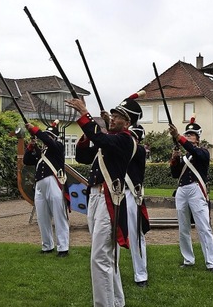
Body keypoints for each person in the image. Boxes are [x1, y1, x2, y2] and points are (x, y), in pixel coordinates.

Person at [66, 91, 142, 307]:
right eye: (113, 114)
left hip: (109, 200)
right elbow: (83, 156)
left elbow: (100, 138)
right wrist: (93, 129)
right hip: (96, 198)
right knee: (106, 258)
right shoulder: (111, 141)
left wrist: (84, 113)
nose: (112, 117)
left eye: (117, 116)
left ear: (127, 123)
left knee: (100, 258)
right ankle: (117, 302)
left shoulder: (126, 140)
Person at [169, 115, 213, 272]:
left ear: (197, 138)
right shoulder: (185, 157)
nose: (189, 137)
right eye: (187, 134)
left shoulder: (202, 153)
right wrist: (175, 159)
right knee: (183, 228)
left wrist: (178, 137)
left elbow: (193, 151)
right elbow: (175, 174)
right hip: (182, 190)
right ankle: (188, 259)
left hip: (197, 190)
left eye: (191, 135)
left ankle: (211, 263)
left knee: (203, 226)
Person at [23, 120, 70, 257]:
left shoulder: (58, 146)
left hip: (54, 182)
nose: (46, 138)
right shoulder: (42, 151)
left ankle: (63, 248)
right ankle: (47, 245)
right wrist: (31, 147)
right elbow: (27, 161)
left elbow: (48, 141)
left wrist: (35, 130)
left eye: (49, 136)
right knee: (42, 216)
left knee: (59, 215)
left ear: (54, 138)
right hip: (40, 184)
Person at [125, 124, 150, 287]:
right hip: (112, 193)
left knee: (135, 235)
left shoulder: (139, 150)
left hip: (130, 193)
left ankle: (141, 274)